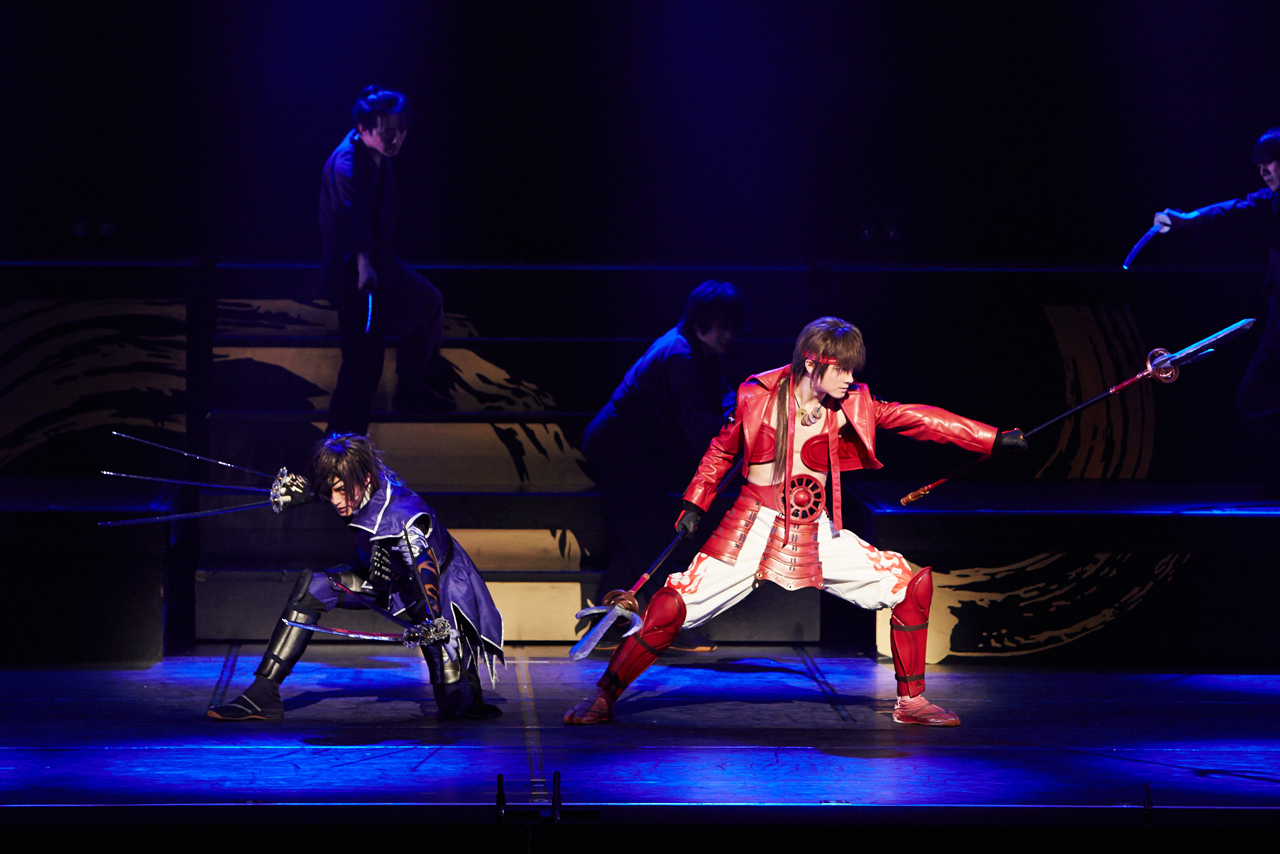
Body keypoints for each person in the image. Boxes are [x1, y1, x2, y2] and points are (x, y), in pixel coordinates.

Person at [565, 317, 1026, 727]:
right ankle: (604, 696)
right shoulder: (757, 397)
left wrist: (989, 439)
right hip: (751, 526)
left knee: (912, 586)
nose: (850, 378)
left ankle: (912, 701)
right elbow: (722, 449)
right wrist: (696, 502)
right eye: (841, 369)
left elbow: (914, 419)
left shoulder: (852, 404)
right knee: (670, 608)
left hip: (815, 529)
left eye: (852, 370)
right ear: (812, 363)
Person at [208, 434, 504, 722]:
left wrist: (434, 622)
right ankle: (263, 693)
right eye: (330, 492)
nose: (336, 502)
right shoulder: (363, 478)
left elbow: (424, 564)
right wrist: (310, 491)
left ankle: (468, 684)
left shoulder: (399, 516)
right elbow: (340, 482)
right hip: (390, 580)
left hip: (437, 596)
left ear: (364, 480)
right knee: (315, 587)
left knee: (455, 705)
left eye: (341, 491)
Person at [582, 281, 748, 628]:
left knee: (636, 537)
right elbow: (698, 424)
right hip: (620, 449)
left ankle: (607, 626)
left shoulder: (701, 354)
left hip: (642, 452)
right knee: (648, 536)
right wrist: (741, 432)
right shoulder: (678, 355)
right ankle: (669, 625)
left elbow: (722, 397)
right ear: (700, 321)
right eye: (722, 325)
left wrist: (747, 410)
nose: (728, 335)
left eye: (733, 326)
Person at [319, 85, 455, 436]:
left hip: (381, 265)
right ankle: (339, 448)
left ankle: (411, 389)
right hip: (354, 275)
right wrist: (363, 265)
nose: (396, 139)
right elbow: (351, 219)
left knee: (427, 303)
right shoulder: (347, 163)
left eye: (401, 130)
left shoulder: (379, 155)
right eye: (387, 132)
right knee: (362, 368)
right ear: (364, 129)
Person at [1152, 127, 1280, 481]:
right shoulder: (1270, 202)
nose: (1263, 171)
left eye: (1270, 162)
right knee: (1255, 394)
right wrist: (1189, 219)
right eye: (1259, 164)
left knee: (1256, 393)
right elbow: (1236, 208)